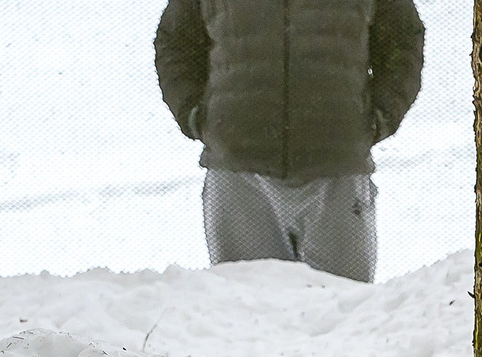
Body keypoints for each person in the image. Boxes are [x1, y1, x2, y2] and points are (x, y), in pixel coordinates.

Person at [154, 0, 426, 284]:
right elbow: (175, 42)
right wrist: (194, 114)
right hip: (240, 175)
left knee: (343, 312)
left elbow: (404, 40)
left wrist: (380, 116)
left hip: (337, 170)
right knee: (246, 313)